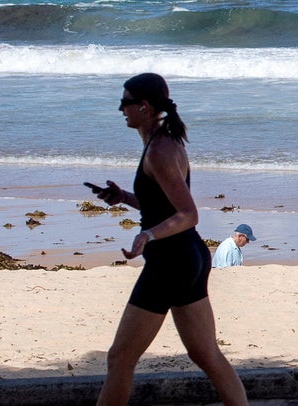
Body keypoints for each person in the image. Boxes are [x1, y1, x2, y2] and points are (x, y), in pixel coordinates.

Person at [91, 73, 247, 405]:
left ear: (144, 107)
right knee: (206, 354)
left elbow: (189, 214)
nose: (121, 109)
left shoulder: (159, 150)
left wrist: (148, 234)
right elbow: (164, 206)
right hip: (189, 256)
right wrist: (124, 197)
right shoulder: (163, 142)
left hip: (171, 262)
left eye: (126, 102)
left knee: (120, 358)